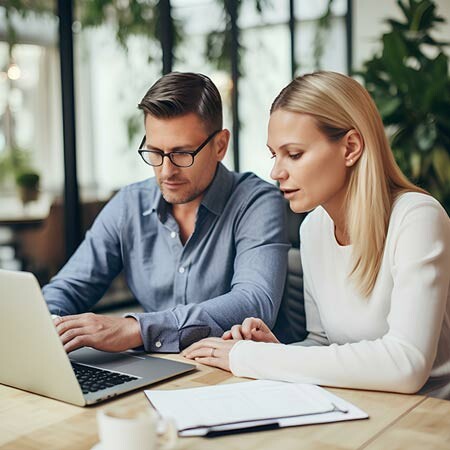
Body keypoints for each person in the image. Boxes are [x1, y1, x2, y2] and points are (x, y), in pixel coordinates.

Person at [183, 71, 450, 398]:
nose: (276, 172)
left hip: (427, 420)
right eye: (274, 155)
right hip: (361, 409)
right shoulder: (314, 229)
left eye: (294, 154)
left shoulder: (417, 218)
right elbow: (324, 343)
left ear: (350, 147)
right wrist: (278, 348)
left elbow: (407, 363)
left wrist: (260, 358)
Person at [44, 72, 290, 354]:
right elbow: (68, 287)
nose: (166, 171)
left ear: (220, 145)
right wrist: (50, 323)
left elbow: (253, 302)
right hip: (156, 373)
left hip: (235, 378)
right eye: (154, 152)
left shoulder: (256, 202)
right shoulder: (129, 205)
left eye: (182, 153)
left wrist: (136, 329)